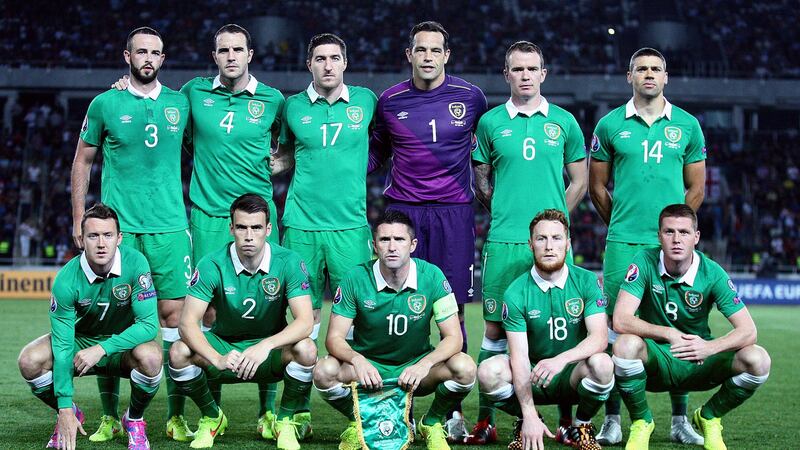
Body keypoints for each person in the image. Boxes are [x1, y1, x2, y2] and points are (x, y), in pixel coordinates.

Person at [71, 26, 193, 442]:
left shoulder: (182, 102)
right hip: (117, 232)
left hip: (171, 228)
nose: (147, 58)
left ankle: (174, 414)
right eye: (140, 51)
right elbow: (82, 160)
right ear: (127, 56)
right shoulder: (106, 102)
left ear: (162, 58)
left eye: (155, 52)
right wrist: (77, 218)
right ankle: (109, 416)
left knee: (174, 318)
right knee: (112, 319)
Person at [368, 21, 488, 439]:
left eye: (435, 50)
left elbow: (485, 155)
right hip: (402, 211)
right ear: (410, 54)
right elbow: (375, 155)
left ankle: (450, 411)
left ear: (446, 55)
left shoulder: (471, 98)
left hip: (454, 213)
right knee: (396, 306)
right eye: (421, 50)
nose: (428, 57)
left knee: (451, 309)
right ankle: (396, 402)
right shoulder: (389, 100)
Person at [468, 41, 588, 445]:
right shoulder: (489, 123)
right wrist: (504, 211)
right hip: (504, 241)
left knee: (565, 330)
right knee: (494, 331)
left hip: (553, 242)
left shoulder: (565, 122)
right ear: (507, 75)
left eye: (531, 68)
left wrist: (555, 220)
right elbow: (481, 180)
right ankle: (487, 420)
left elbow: (581, 180)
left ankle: (569, 419)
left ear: (543, 73)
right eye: (517, 69)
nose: (525, 75)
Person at [589, 47, 707, 446]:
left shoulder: (688, 125)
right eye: (641, 69)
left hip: (671, 244)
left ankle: (678, 419)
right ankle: (612, 419)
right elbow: (596, 187)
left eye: (656, 69)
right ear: (630, 76)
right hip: (623, 242)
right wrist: (621, 224)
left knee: (678, 324)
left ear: (666, 76)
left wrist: (675, 234)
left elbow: (697, 187)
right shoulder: (609, 125)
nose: (649, 75)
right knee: (614, 330)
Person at [181, 23, 287, 437]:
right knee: (208, 311)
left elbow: (286, 147)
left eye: (237, 49)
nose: (230, 56)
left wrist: (275, 165)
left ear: (250, 54)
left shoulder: (273, 100)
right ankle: (213, 411)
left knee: (270, 307)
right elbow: (177, 130)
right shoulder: (193, 93)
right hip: (208, 214)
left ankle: (269, 412)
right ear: (214, 56)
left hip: (260, 216)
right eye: (223, 50)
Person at [270, 33, 377, 436]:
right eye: (320, 58)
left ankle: (369, 408)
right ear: (308, 65)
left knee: (362, 318)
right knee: (303, 321)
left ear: (345, 63)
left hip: (351, 226)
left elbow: (386, 143)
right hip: (300, 226)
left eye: (335, 58)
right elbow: (280, 156)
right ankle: (295, 412)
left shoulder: (367, 102)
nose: (328, 65)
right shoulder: (292, 107)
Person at [313, 210, 477, 450]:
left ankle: (430, 422)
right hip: (369, 369)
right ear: (374, 245)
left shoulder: (432, 276)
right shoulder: (355, 278)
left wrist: (425, 364)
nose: (392, 247)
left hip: (415, 368)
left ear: (412, 245)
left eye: (399, 240)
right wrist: (357, 360)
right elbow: (334, 338)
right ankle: (358, 422)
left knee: (465, 367)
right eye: (384, 240)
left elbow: (454, 337)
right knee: (324, 371)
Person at [612, 204, 770, 450]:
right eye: (669, 232)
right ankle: (642, 421)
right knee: (624, 345)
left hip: (699, 361)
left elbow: (748, 331)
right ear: (659, 236)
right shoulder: (644, 260)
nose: (676, 240)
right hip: (658, 358)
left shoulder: (712, 272)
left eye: (684, 232)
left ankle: (709, 416)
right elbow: (620, 319)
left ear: (696, 237)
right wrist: (668, 333)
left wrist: (710, 347)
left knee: (758, 359)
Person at [168, 193, 316, 450]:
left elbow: (304, 322)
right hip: (226, 348)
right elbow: (187, 324)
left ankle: (284, 420)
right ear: (231, 228)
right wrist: (217, 359)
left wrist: (265, 346)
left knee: (307, 349)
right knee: (178, 351)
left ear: (268, 229)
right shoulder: (212, 263)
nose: (249, 235)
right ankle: (212, 416)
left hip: (269, 354)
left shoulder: (289, 262)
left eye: (256, 227)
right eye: (242, 227)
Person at [18, 204, 162, 450]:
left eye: (108, 235)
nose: (101, 243)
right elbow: (63, 345)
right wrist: (63, 406)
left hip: (122, 346)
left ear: (119, 238)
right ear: (81, 240)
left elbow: (149, 326)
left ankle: (134, 420)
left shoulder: (136, 263)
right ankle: (72, 413)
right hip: (81, 342)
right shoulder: (66, 279)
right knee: (29, 360)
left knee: (151, 358)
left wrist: (103, 348)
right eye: (93, 236)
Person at [477, 209, 612, 450]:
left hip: (572, 374)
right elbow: (518, 357)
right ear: (530, 244)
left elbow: (600, 338)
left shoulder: (587, 281)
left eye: (556, 238)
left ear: (568, 244)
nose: (549, 246)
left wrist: (561, 360)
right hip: (534, 374)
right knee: (488, 372)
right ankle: (528, 420)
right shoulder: (516, 292)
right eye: (541, 238)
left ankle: (581, 426)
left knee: (603, 364)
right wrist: (528, 414)